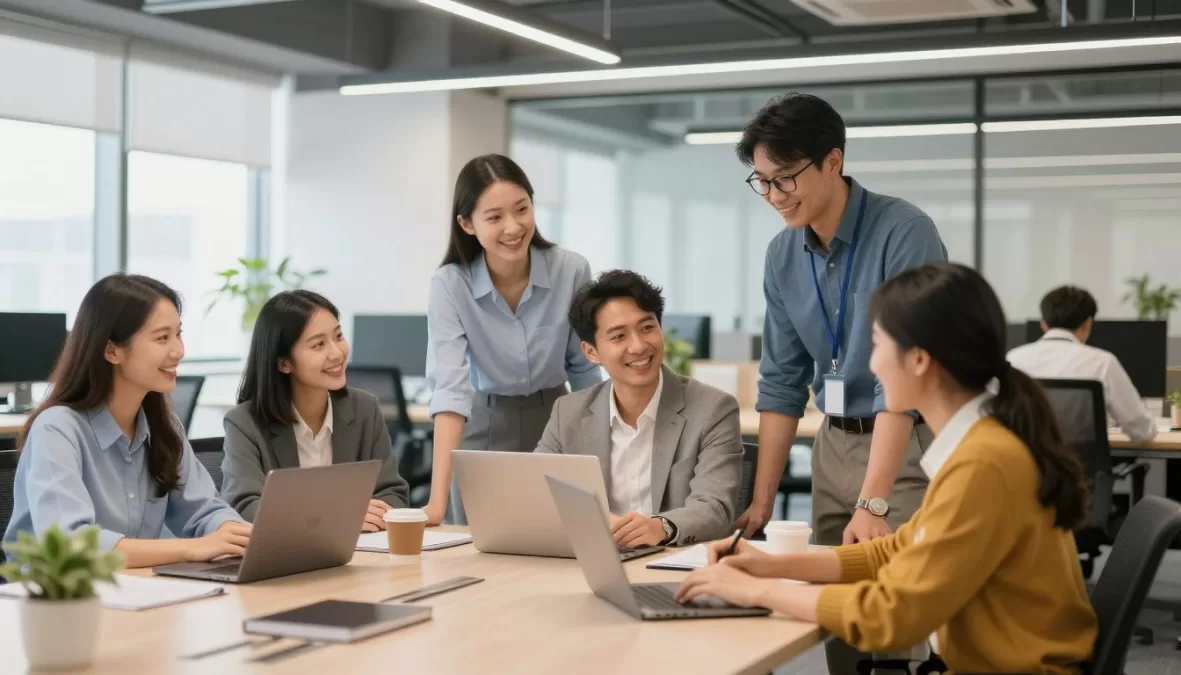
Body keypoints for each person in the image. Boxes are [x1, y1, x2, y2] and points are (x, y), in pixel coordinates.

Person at [676, 262, 1098, 675]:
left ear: (918, 360)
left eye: (876, 345)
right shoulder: (980, 445)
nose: (872, 364)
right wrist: (769, 564)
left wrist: (758, 591)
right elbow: (896, 550)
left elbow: (891, 616)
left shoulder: (985, 463)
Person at [4, 274, 251, 569]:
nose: (179, 351)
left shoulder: (164, 426)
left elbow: (204, 511)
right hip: (54, 601)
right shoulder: (57, 429)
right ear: (111, 350)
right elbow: (72, 546)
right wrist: (193, 549)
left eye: (178, 334)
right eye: (162, 338)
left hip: (135, 589)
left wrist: (233, 534)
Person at [425, 153, 602, 526]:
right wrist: (435, 505)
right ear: (467, 224)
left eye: (522, 209)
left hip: (557, 421)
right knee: (480, 548)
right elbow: (450, 392)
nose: (513, 227)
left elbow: (584, 370)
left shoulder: (571, 270)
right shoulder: (450, 285)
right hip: (482, 427)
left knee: (560, 542)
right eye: (494, 217)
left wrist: (600, 464)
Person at [535, 270, 742, 548]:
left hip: (675, 564)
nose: (639, 346)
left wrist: (661, 527)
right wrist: (594, 521)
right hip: (598, 559)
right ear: (591, 352)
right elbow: (538, 489)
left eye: (647, 328)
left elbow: (714, 508)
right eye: (619, 336)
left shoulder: (714, 409)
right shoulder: (568, 412)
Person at [221, 290, 410, 531]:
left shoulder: (364, 409)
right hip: (287, 561)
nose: (337, 352)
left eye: (338, 336)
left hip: (359, 556)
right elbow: (244, 508)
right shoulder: (245, 422)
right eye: (319, 345)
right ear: (284, 363)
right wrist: (339, 516)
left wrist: (374, 513)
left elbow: (392, 493)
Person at [1008, 285, 1157, 442]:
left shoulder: (1013, 360)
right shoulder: (1103, 363)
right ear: (1088, 323)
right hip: (1081, 465)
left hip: (1022, 464)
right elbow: (1142, 431)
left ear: (1043, 324)